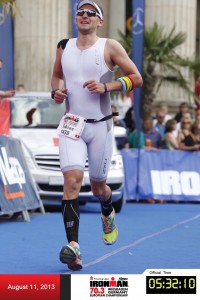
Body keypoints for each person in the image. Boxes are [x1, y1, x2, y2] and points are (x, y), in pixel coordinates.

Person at [51, 0, 143, 271]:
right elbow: (56, 76)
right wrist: (55, 93)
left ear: (99, 21)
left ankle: (107, 208)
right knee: (72, 181)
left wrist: (107, 86)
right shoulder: (63, 46)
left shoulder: (109, 46)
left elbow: (136, 78)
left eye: (91, 13)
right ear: (75, 18)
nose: (85, 16)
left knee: (98, 186)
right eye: (80, 12)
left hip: (101, 125)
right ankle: (74, 248)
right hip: (72, 125)